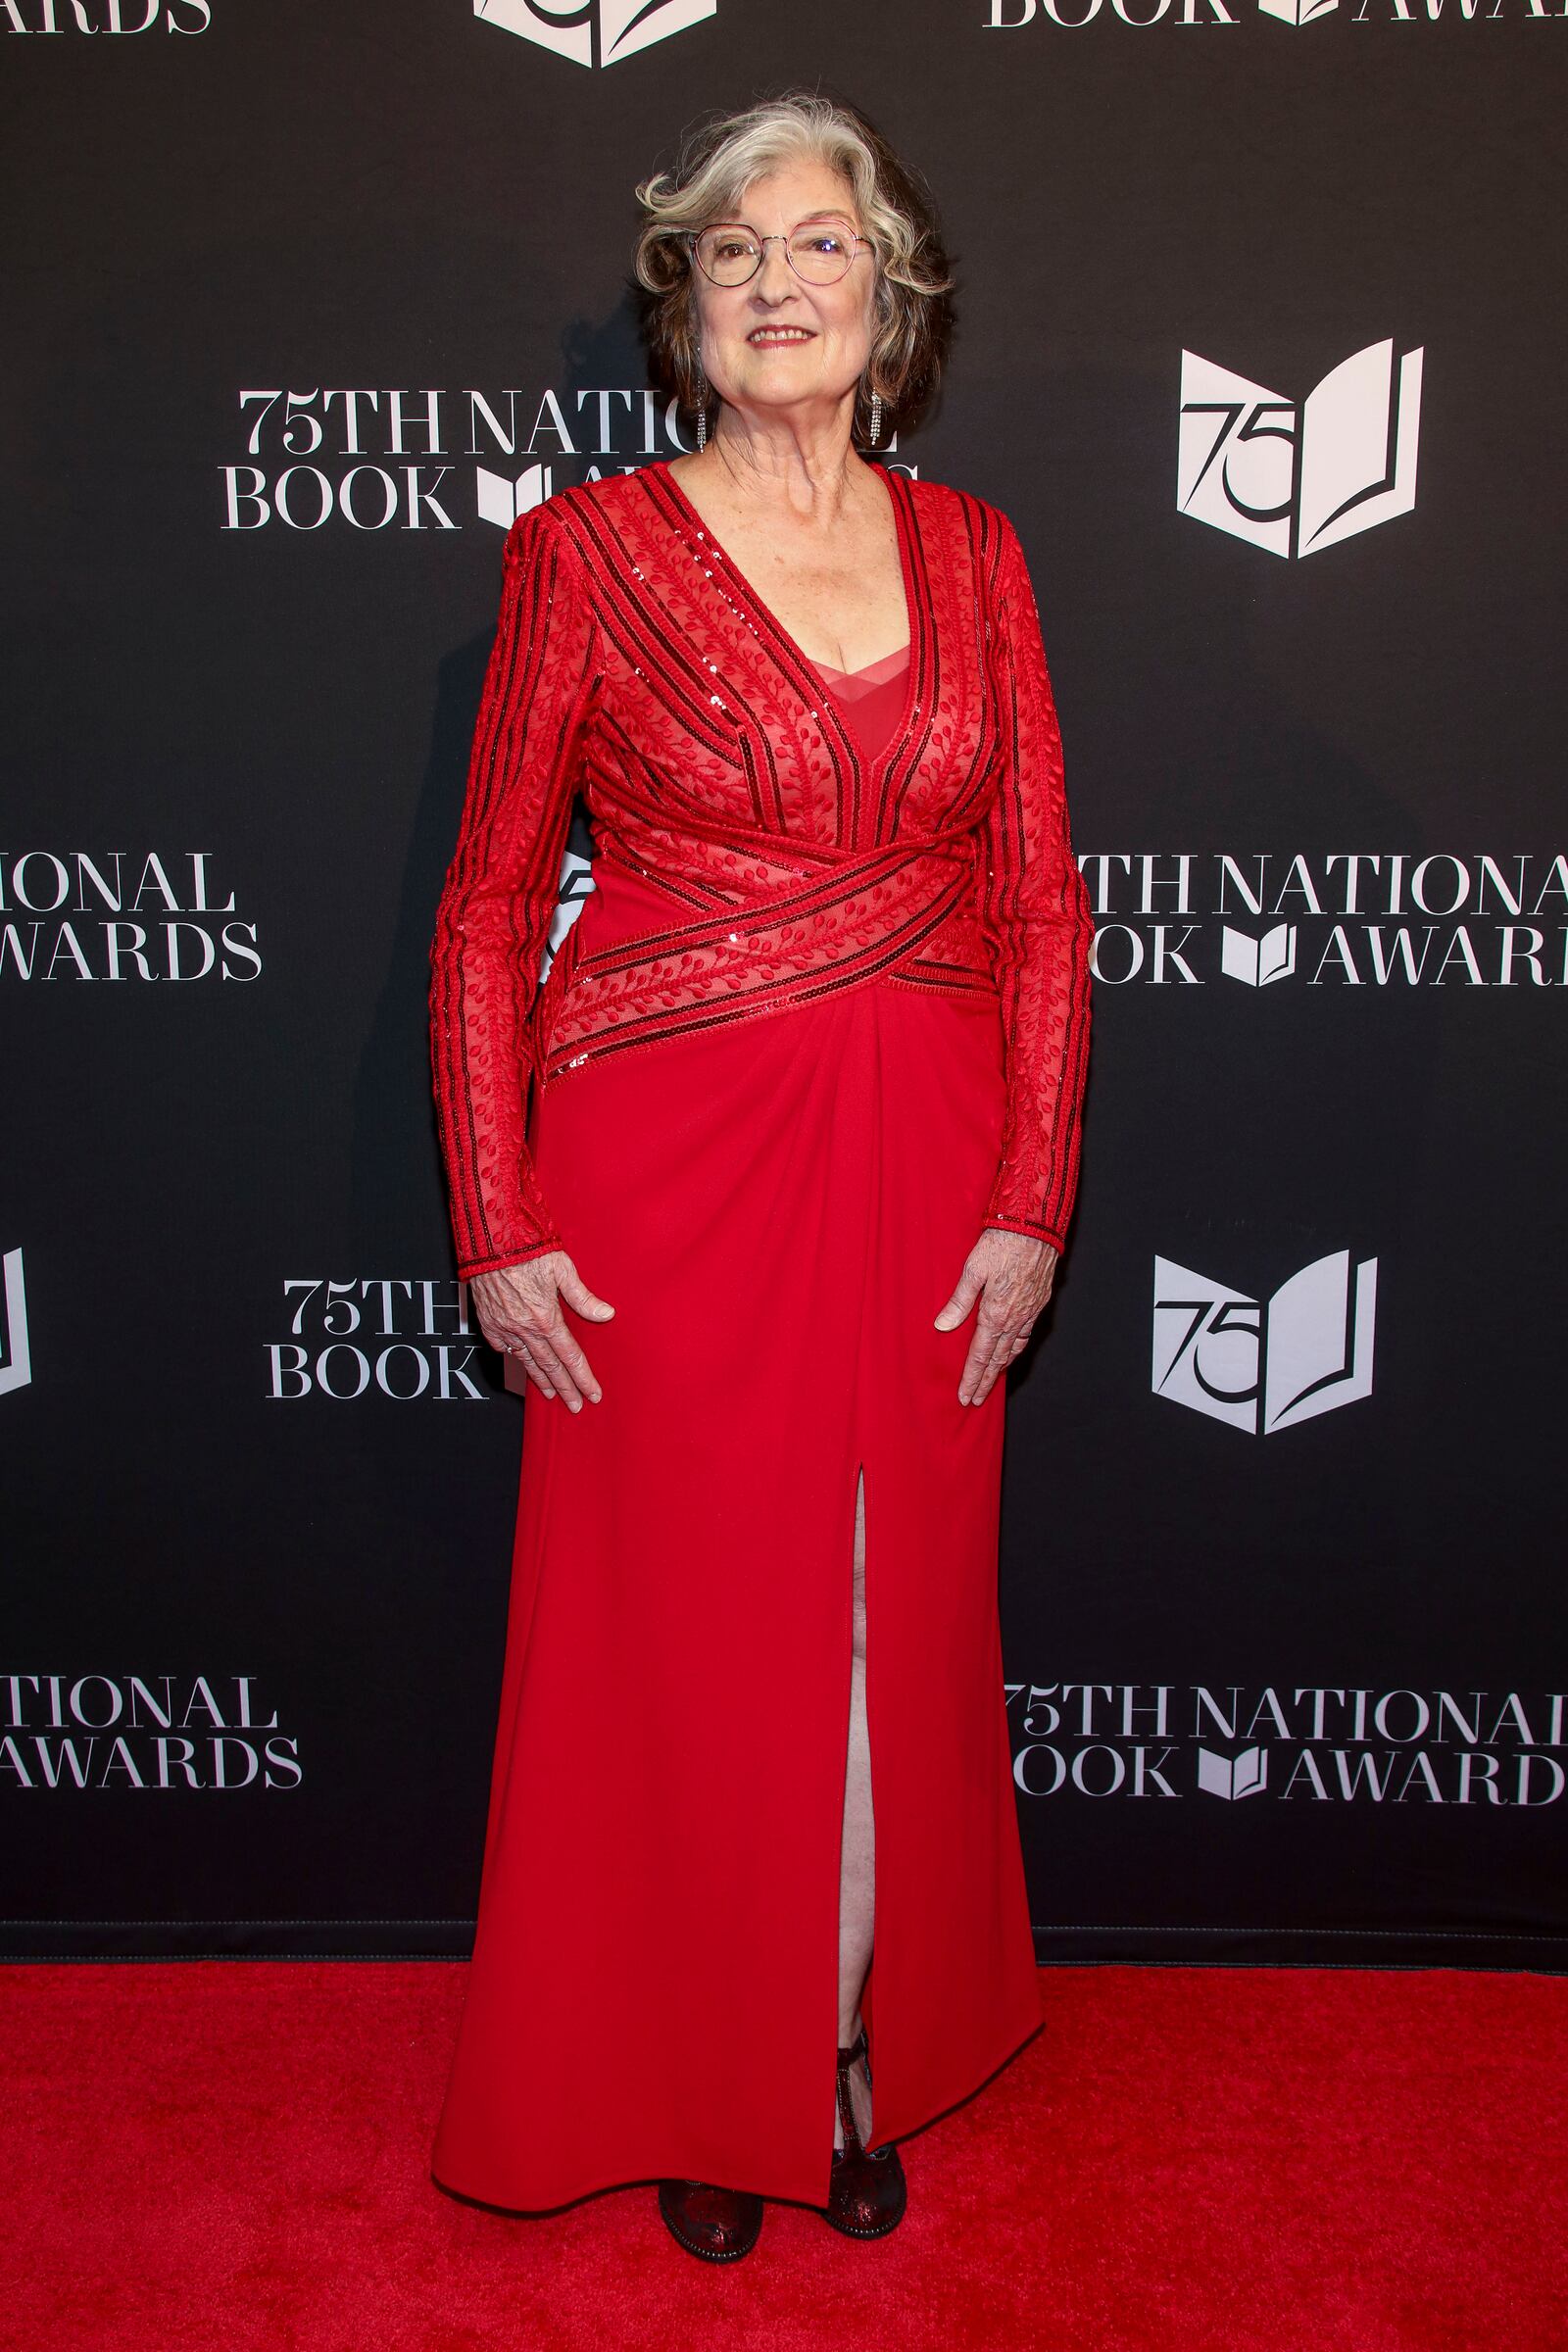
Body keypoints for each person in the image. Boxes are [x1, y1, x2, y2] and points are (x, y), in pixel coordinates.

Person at [426, 89, 1094, 2263]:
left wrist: (1031, 1195)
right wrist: (499, 1218)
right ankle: (700, 2069)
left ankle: (822, 2051)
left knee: (882, 1628)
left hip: (924, 1146)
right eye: (733, 255)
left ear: (887, 298)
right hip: (662, 1159)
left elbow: (1039, 905)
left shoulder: (980, 555)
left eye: (818, 246)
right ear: (685, 306)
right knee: (694, 1640)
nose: (777, 284)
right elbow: (481, 906)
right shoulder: (584, 553)